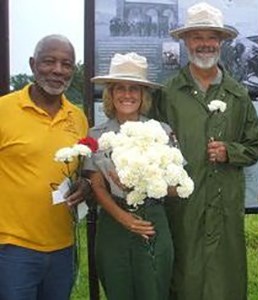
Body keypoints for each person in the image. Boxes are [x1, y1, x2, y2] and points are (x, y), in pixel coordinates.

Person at [152, 2, 258, 300]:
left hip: (225, 207)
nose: (205, 44)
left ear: (222, 42)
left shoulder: (238, 94)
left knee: (225, 283)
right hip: (182, 210)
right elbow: (152, 147)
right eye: (197, 37)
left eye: (212, 37)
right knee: (184, 280)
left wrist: (231, 152)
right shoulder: (167, 93)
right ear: (185, 41)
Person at [0, 34, 90, 300]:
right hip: (13, 249)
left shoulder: (78, 118)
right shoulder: (4, 110)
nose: (57, 70)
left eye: (66, 64)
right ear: (32, 64)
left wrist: (85, 186)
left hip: (64, 249)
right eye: (49, 62)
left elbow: (82, 172)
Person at [85, 52, 175, 300]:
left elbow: (178, 186)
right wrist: (123, 218)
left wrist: (144, 184)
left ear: (143, 95)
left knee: (153, 291)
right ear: (110, 94)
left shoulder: (161, 131)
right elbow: (97, 185)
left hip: (151, 220)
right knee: (118, 291)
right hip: (113, 223)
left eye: (134, 89)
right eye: (120, 88)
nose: (127, 95)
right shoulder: (95, 134)